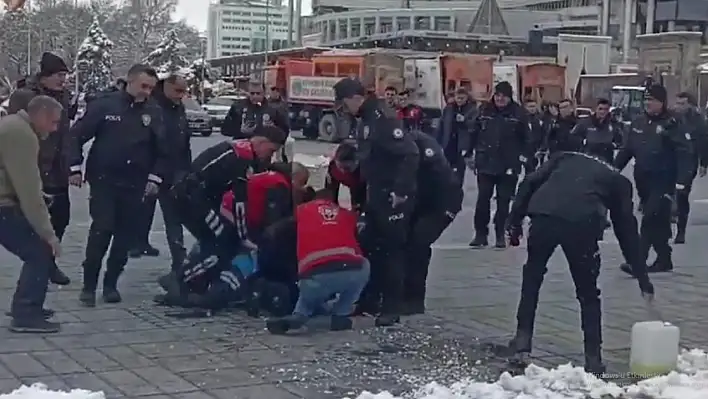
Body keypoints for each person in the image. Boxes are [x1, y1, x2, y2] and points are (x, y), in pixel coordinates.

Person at [505, 151, 655, 374]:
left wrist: (514, 222)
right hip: (582, 225)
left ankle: (522, 342)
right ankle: (593, 358)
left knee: (532, 280)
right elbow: (626, 230)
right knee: (587, 293)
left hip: (544, 218)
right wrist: (642, 277)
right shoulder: (619, 181)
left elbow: (529, 182)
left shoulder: (564, 158)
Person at [68, 64, 171, 307]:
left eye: (151, 88)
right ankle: (89, 285)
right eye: (143, 86)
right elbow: (76, 135)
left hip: (135, 183)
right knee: (102, 229)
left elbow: (164, 150)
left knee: (124, 236)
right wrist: (74, 166)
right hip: (104, 180)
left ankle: (111, 282)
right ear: (130, 82)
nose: (147, 92)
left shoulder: (153, 112)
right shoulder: (106, 105)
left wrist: (155, 177)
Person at [334, 77, 419, 326]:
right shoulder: (365, 120)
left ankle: (392, 307)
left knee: (392, 251)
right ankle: (369, 300)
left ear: (355, 98)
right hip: (376, 194)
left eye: (344, 102)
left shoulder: (383, 118)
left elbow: (409, 154)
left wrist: (400, 190)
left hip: (393, 196)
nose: (343, 108)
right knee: (371, 248)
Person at [168, 126, 286, 295]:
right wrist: (244, 236)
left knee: (219, 237)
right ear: (261, 142)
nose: (270, 156)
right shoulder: (242, 158)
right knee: (222, 243)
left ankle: (199, 279)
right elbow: (240, 202)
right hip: (192, 200)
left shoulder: (238, 149)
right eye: (271, 150)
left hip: (193, 198)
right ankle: (181, 280)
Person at [7, 52, 76, 286]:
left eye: (65, 75)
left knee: (62, 216)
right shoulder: (25, 96)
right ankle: (40, 266)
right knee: (37, 221)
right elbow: (17, 130)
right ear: (45, 76)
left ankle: (48, 261)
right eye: (58, 75)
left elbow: (66, 132)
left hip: (58, 166)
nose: (62, 80)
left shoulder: (65, 97)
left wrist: (72, 163)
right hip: (34, 164)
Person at [265, 188, 370, 334]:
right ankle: (342, 313)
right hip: (350, 270)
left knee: (309, 287)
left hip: (313, 277)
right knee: (364, 264)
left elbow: (283, 228)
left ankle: (299, 315)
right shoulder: (345, 214)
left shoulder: (303, 210)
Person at [0, 96, 64, 333]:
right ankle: (26, 312)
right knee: (40, 251)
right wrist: (49, 234)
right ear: (41, 115)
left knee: (35, 251)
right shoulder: (22, 135)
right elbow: (28, 190)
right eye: (54, 122)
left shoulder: (13, 125)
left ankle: (28, 305)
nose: (55, 128)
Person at [615, 85, 693, 274]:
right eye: (647, 100)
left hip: (664, 181)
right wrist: (611, 170)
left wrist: (682, 182)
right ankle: (664, 259)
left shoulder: (673, 123)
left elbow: (685, 153)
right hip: (643, 181)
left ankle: (638, 262)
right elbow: (627, 150)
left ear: (662, 102)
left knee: (649, 217)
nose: (649, 104)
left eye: (653, 100)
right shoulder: (638, 123)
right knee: (657, 221)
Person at [130, 74, 191, 267]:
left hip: (175, 169)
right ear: (167, 87)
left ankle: (178, 256)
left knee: (173, 215)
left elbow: (183, 138)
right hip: (152, 168)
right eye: (178, 91)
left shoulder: (178, 107)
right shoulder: (153, 106)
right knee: (143, 209)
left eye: (184, 91)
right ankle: (137, 242)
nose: (181, 95)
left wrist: (186, 167)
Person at [403, 131, 463, 315]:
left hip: (442, 204)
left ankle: (414, 300)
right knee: (404, 243)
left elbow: (444, 186)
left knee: (418, 244)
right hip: (420, 203)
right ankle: (401, 294)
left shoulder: (426, 152)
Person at [466, 81, 530, 249]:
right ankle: (480, 233)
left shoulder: (518, 114)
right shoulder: (484, 111)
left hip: (508, 164)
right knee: (482, 200)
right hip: (486, 162)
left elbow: (528, 139)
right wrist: (468, 153)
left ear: (510, 98)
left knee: (503, 201)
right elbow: (473, 133)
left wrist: (523, 157)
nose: (500, 99)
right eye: (498, 95)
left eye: (504, 96)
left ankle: (500, 233)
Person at [672, 92, 708, 244]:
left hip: (688, 162)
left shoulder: (697, 120)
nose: (679, 107)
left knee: (682, 194)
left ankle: (681, 230)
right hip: (671, 161)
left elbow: (703, 140)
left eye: (683, 104)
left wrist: (704, 163)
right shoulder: (671, 118)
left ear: (689, 105)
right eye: (678, 103)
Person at [436, 88, 476, 186]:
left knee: (459, 173)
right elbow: (442, 125)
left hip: (461, 146)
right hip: (448, 144)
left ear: (467, 98)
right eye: (458, 98)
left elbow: (474, 127)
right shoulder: (449, 108)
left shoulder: (471, 109)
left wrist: (464, 121)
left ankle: (457, 192)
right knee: (446, 171)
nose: (459, 101)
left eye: (462, 98)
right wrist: (438, 142)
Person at [222, 81, 288, 138]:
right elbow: (225, 130)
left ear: (264, 93)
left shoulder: (273, 109)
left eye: (258, 93)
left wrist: (273, 129)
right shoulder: (238, 107)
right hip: (242, 146)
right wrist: (240, 131)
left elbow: (285, 132)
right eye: (252, 93)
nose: (255, 96)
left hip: (263, 147)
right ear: (248, 93)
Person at [571, 98, 622, 163]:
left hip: (606, 158)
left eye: (605, 109)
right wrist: (583, 143)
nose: (602, 112)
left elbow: (620, 140)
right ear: (596, 109)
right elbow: (573, 136)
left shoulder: (613, 124)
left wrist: (613, 145)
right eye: (600, 109)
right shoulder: (586, 122)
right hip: (588, 158)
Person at [325, 142, 367, 211]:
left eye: (346, 168)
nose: (343, 171)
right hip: (336, 177)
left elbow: (359, 202)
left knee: (358, 208)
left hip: (356, 182)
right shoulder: (333, 167)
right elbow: (329, 194)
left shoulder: (362, 171)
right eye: (340, 167)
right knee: (329, 202)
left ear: (356, 162)